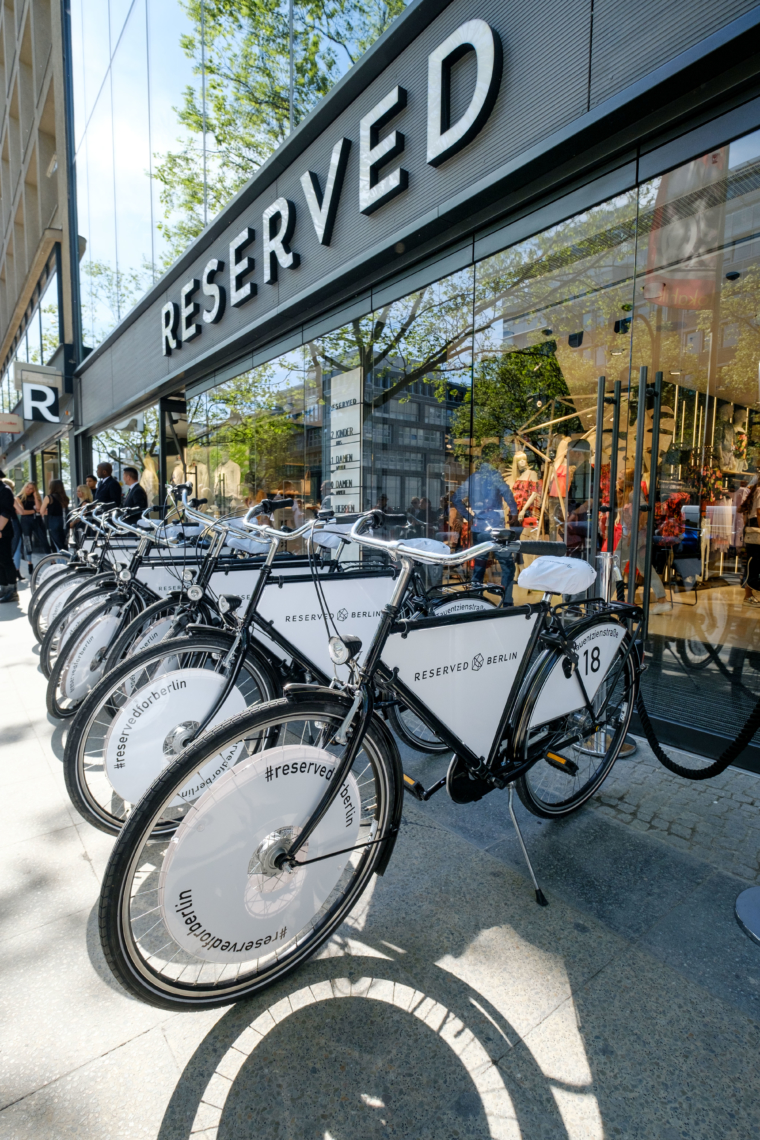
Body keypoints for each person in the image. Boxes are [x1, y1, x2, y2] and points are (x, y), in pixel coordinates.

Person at [452, 460, 520, 603]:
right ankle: (506, 601)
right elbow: (507, 493)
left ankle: (476, 599)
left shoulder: (473, 478)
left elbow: (456, 498)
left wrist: (468, 516)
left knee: (479, 565)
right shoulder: (494, 476)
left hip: (478, 527)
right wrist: (514, 513)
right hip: (496, 528)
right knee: (507, 565)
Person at [14, 480, 41, 578]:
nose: (29, 490)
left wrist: (35, 496)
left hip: (37, 522)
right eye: (27, 487)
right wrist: (34, 511)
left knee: (43, 541)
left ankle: (53, 562)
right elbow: (22, 512)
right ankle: (29, 564)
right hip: (24, 523)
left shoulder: (36, 497)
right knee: (26, 543)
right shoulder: (19, 497)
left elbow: (39, 508)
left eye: (31, 489)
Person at [0, 469, 19, 603]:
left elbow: (6, 511)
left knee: (6, 560)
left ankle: (12, 591)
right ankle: (4, 588)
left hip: (3, 531)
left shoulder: (5, 490)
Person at [41, 479, 69, 551]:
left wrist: (48, 511)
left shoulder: (49, 497)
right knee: (63, 544)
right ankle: (66, 560)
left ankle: (60, 561)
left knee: (56, 544)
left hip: (53, 522)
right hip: (64, 521)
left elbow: (42, 511)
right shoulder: (65, 498)